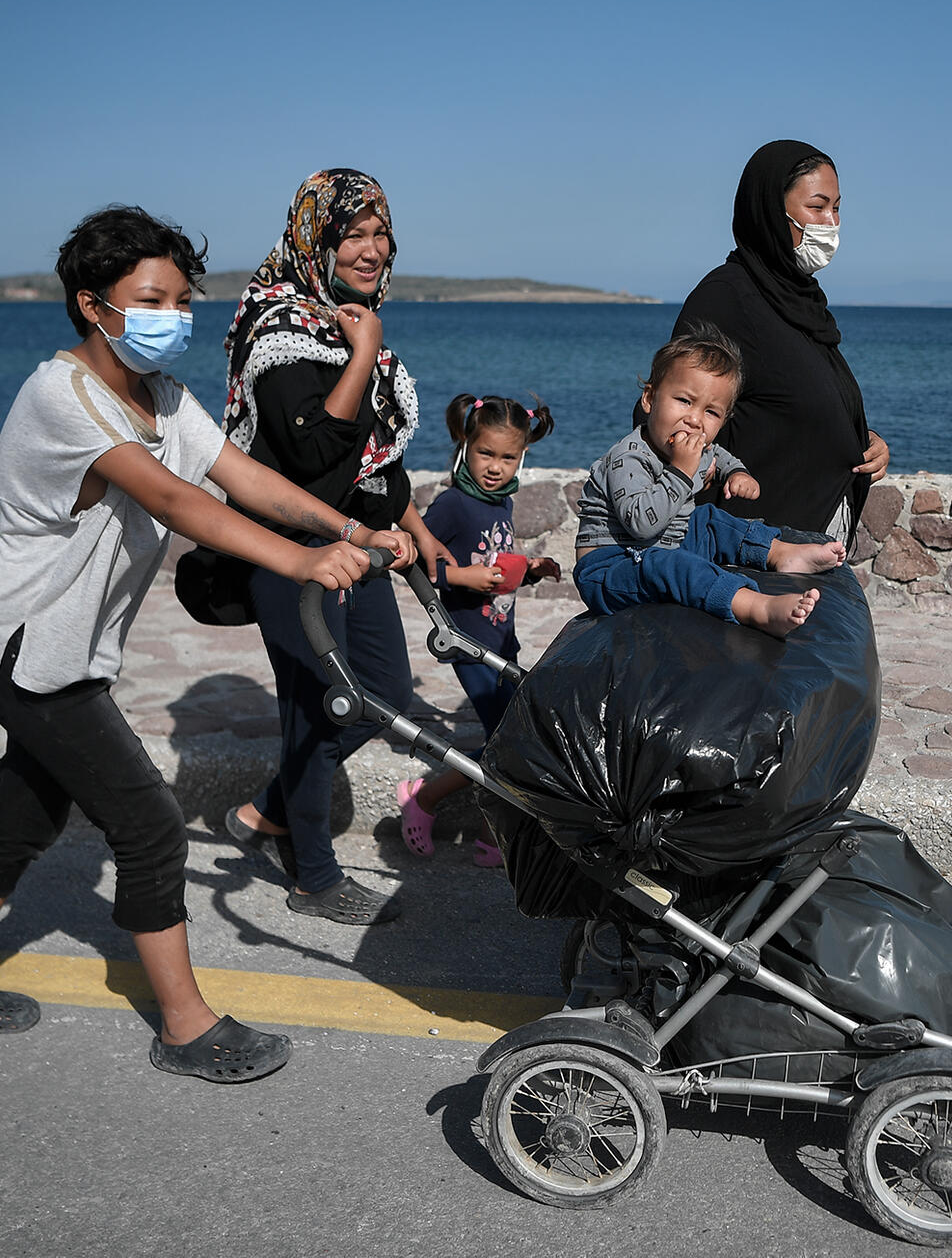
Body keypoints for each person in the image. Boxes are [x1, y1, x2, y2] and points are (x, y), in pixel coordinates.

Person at [0, 205, 414, 1078]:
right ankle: (185, 1028)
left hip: (74, 654)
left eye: (183, 299)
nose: (173, 316)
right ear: (91, 303)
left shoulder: (164, 397)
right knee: (151, 828)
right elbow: (182, 503)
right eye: (152, 298)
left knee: (23, 822)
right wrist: (305, 564)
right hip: (31, 654)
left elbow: (246, 478)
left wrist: (351, 528)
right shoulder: (60, 396)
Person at [222, 169, 452, 925]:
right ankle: (315, 879)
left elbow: (374, 464)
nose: (372, 249)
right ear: (315, 238)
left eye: (381, 234)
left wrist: (413, 527)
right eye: (353, 234)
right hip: (293, 552)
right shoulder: (282, 327)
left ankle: (266, 811)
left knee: (380, 695)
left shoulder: (344, 319)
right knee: (325, 709)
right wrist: (363, 355)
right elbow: (314, 457)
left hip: (359, 549)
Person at [672, 139, 890, 548]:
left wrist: (863, 440)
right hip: (754, 552)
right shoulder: (727, 299)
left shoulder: (801, 301)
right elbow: (674, 416)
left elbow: (793, 404)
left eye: (837, 208)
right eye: (817, 206)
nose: (830, 222)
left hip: (811, 543)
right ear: (771, 209)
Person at [574, 326, 845, 639]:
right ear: (649, 398)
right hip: (610, 567)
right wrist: (680, 472)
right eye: (684, 401)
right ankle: (754, 606)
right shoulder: (628, 458)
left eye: (711, 412)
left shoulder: (694, 447)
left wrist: (736, 473)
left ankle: (781, 553)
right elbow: (641, 525)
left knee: (708, 520)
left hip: (661, 545)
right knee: (669, 565)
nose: (695, 419)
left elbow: (720, 455)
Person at [397, 394, 561, 865]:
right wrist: (462, 577)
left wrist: (529, 570)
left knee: (511, 739)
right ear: (465, 444)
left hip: (500, 641)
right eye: (486, 453)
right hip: (468, 643)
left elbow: (496, 566)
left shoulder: (501, 504)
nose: (495, 466)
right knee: (503, 743)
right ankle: (424, 798)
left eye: (508, 457)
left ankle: (494, 833)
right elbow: (415, 565)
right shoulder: (453, 504)